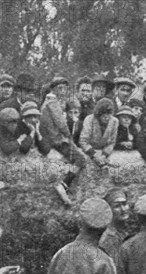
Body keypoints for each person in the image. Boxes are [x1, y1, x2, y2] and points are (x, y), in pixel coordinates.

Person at [39, 77, 87, 207]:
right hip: (57, 140)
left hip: (53, 139)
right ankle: (64, 184)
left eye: (64, 88)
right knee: (81, 159)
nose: (63, 90)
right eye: (59, 88)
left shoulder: (49, 101)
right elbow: (61, 124)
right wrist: (70, 137)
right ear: (53, 89)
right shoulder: (52, 102)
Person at [80, 97, 119, 167]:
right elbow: (83, 141)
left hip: (103, 152)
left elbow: (112, 143)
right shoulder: (89, 119)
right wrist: (94, 155)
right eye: (103, 114)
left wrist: (104, 156)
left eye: (109, 113)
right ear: (98, 113)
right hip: (90, 151)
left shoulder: (114, 121)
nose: (106, 117)